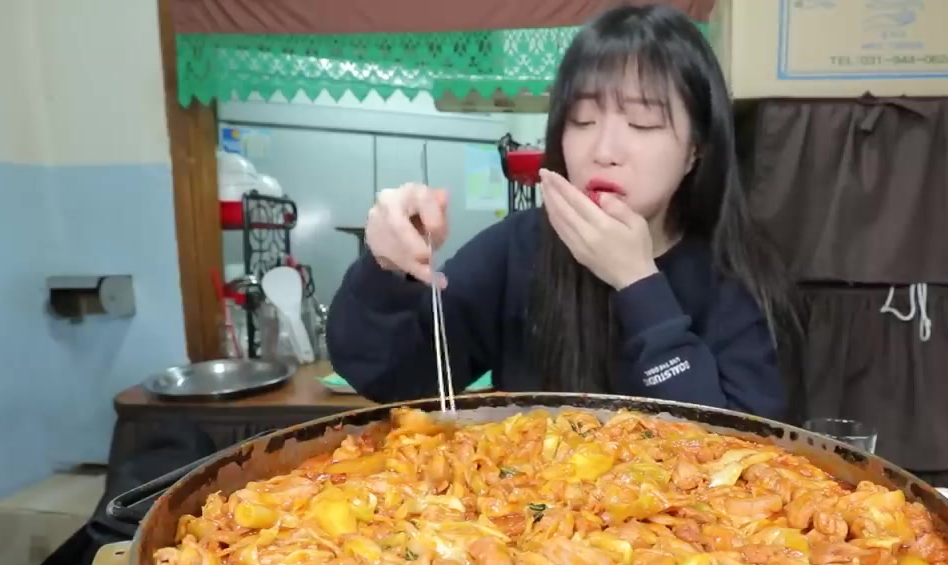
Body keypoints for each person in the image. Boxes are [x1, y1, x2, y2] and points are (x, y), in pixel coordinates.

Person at [327, 3, 795, 419]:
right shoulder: (516, 249)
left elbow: (744, 453)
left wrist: (638, 283)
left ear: (696, 149)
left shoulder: (735, 275)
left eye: (642, 122)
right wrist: (385, 269)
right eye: (582, 120)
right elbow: (392, 379)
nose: (604, 150)